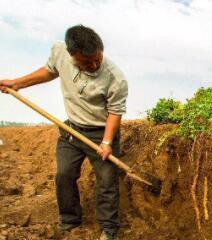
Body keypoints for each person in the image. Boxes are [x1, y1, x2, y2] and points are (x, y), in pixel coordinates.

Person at [0, 25, 128, 240]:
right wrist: (18, 83)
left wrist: (107, 142)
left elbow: (115, 113)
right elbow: (50, 71)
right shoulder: (60, 52)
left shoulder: (116, 78)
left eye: (97, 59)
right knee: (64, 176)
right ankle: (70, 220)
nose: (94, 65)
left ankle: (109, 228)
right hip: (71, 130)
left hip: (100, 132)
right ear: (72, 55)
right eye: (86, 63)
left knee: (107, 181)